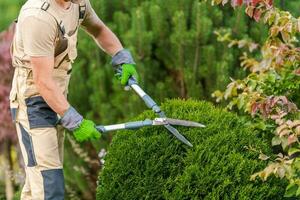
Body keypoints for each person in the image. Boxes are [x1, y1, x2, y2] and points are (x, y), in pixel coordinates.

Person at [9, 0, 139, 199]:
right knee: (49, 187)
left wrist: (120, 55)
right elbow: (42, 81)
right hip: (33, 104)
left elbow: (98, 29)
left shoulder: (77, 3)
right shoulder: (38, 16)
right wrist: (75, 120)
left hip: (57, 98)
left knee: (38, 184)